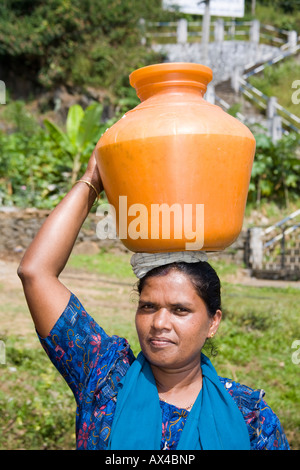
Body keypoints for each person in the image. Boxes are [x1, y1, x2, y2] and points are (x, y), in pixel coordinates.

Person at [18, 152, 290, 450]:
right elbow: (36, 273)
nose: (159, 323)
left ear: (213, 322)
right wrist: (93, 180)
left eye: (180, 310)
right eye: (148, 307)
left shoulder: (250, 417)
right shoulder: (105, 377)